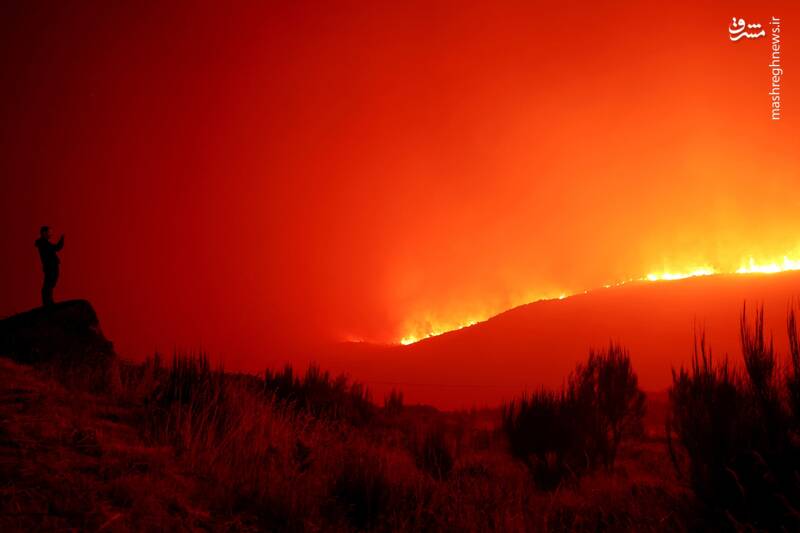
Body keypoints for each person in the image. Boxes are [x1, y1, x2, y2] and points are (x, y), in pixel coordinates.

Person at [35, 226, 64, 306]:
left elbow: (56, 248)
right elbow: (56, 248)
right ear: (44, 233)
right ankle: (48, 302)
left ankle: (48, 301)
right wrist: (61, 240)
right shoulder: (43, 243)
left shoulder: (44, 243)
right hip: (50, 266)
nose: (51, 234)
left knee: (50, 283)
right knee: (49, 284)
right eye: (49, 232)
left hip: (51, 266)